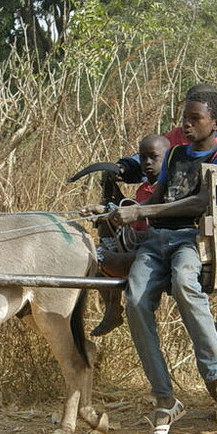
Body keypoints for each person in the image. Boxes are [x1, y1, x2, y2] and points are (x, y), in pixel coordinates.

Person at [107, 88, 217, 434]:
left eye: (195, 118)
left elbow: (200, 200)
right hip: (156, 241)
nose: (187, 123)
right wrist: (120, 209)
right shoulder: (177, 153)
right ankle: (165, 400)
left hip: (190, 239)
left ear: (215, 123)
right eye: (184, 117)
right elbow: (161, 193)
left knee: (185, 282)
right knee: (134, 301)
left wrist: (141, 212)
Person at [90, 134, 170, 336]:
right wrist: (106, 211)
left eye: (154, 157)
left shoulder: (168, 189)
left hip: (151, 249)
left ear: (168, 159)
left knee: (94, 255)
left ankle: (114, 309)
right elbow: (131, 212)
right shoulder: (144, 188)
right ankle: (112, 309)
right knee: (95, 250)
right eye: (143, 158)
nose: (147, 163)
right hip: (136, 242)